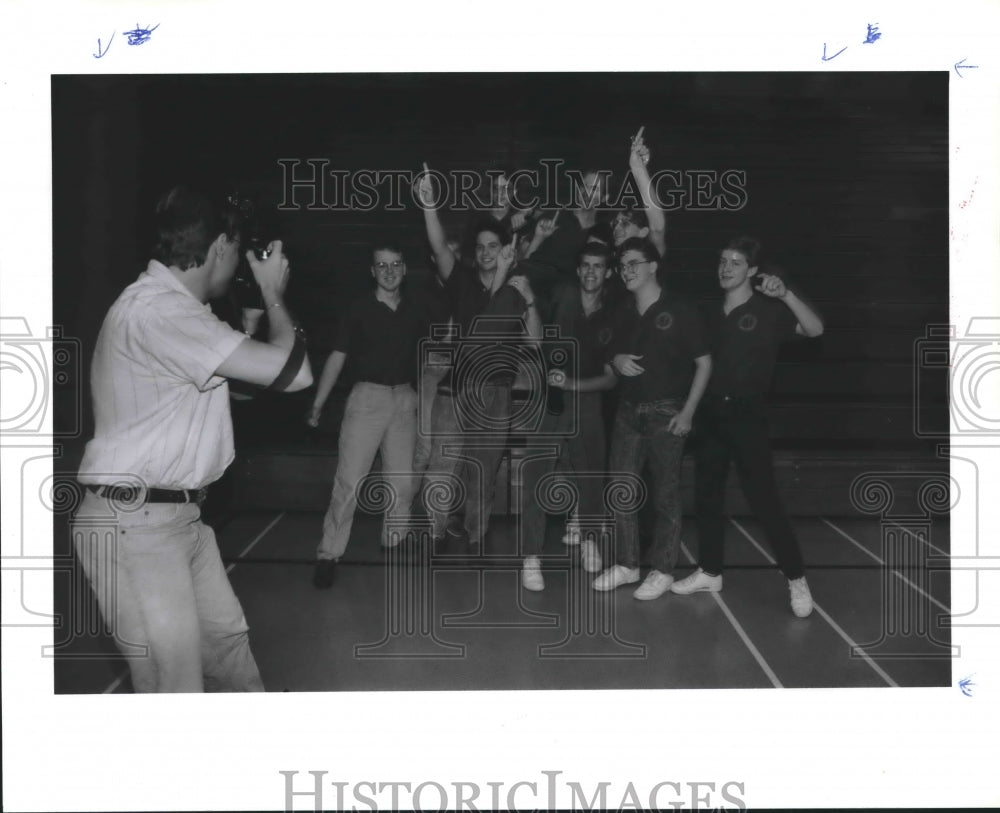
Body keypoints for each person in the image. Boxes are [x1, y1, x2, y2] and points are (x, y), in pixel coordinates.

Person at [72, 186, 312, 692]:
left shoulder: (178, 310)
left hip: (175, 519)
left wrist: (247, 331)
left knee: (230, 661)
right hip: (136, 525)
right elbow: (295, 374)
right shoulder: (160, 312)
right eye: (238, 247)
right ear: (221, 246)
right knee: (175, 690)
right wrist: (272, 295)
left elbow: (237, 392)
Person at [670, 236, 824, 617]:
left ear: (752, 271)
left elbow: (815, 329)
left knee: (765, 502)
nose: (725, 268)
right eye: (722, 260)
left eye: (735, 262)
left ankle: (796, 579)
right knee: (707, 496)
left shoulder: (770, 310)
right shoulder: (708, 311)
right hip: (710, 415)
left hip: (748, 417)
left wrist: (786, 294)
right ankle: (709, 570)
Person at [417, 164, 541, 546]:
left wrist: (532, 301)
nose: (486, 252)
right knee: (442, 465)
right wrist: (428, 205)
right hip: (456, 391)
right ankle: (434, 534)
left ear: (505, 249)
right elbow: (438, 247)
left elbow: (535, 342)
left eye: (494, 245)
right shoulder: (464, 282)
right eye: (481, 246)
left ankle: (476, 538)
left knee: (483, 473)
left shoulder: (518, 288)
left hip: (496, 394)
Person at [307, 243, 432, 589]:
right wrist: (319, 402)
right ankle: (328, 554)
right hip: (367, 400)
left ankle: (394, 542)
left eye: (395, 264)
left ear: (404, 269)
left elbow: (429, 354)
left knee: (402, 484)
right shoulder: (358, 309)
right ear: (372, 271)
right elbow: (336, 356)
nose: (389, 270)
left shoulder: (416, 309)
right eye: (382, 265)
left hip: (404, 399)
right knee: (349, 483)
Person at [593, 237, 712, 600]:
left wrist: (688, 412)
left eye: (633, 263)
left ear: (652, 267)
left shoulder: (680, 308)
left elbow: (704, 364)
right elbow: (609, 353)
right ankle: (628, 565)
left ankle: (662, 570)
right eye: (623, 265)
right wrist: (616, 360)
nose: (626, 271)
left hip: (666, 412)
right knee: (621, 492)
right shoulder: (621, 310)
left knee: (665, 496)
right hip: (628, 412)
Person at [519, 243, 619, 589]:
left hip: (587, 402)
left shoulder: (613, 314)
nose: (591, 271)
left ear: (607, 273)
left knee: (591, 479)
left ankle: (589, 541)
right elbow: (533, 340)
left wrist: (573, 383)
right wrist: (530, 301)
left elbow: (610, 378)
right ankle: (531, 557)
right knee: (536, 475)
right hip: (550, 399)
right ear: (578, 270)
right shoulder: (559, 297)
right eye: (586, 265)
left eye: (598, 266)